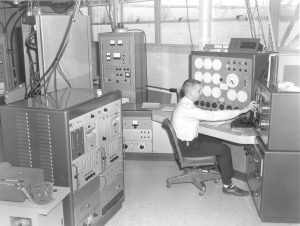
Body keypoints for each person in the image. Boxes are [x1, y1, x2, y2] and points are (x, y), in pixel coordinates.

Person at [172, 79, 258, 196]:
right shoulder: (189, 109)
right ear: (191, 93)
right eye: (199, 90)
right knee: (224, 149)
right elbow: (212, 115)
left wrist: (226, 121)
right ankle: (228, 185)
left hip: (188, 142)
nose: (201, 92)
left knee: (215, 139)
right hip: (189, 147)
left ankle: (208, 168)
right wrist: (242, 110)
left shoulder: (184, 103)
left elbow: (202, 121)